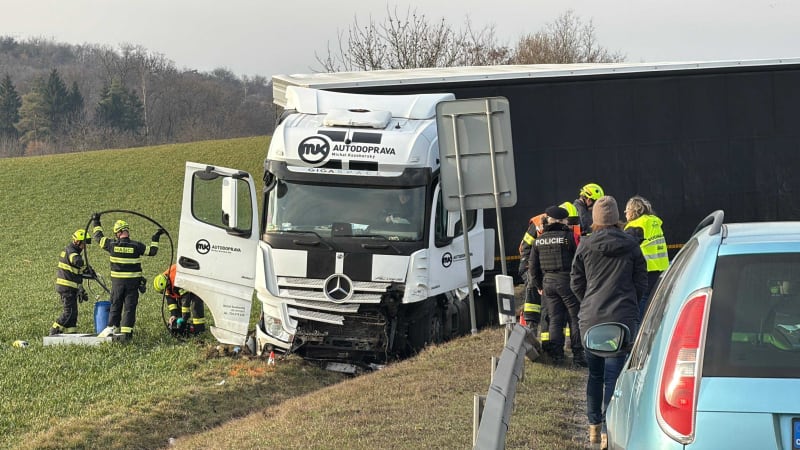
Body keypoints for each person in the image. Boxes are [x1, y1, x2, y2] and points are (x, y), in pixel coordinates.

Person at [570, 195, 647, 448]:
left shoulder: (585, 246)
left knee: (594, 375)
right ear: (617, 218)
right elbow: (640, 283)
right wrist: (629, 306)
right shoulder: (632, 245)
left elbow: (576, 283)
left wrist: (588, 303)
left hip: (590, 319)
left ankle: (593, 428)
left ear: (595, 221)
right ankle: (609, 431)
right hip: (622, 320)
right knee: (614, 376)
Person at [93, 216, 164, 341]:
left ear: (118, 232)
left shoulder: (112, 244)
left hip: (117, 284)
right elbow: (153, 251)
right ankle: (127, 335)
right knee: (129, 308)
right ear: (126, 231)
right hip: (132, 284)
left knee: (115, 306)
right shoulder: (136, 246)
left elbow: (98, 237)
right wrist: (156, 237)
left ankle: (112, 328)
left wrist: (96, 221)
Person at [530, 205, 584, 366]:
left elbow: (533, 267)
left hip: (548, 283)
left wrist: (539, 285)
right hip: (567, 281)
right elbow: (578, 260)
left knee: (555, 319)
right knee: (575, 318)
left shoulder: (539, 240)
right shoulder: (569, 237)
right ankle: (578, 355)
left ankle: (557, 356)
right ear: (562, 220)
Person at [623, 195, 669, 317]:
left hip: (645, 270)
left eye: (627, 210)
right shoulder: (654, 222)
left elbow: (624, 248)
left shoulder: (636, 226)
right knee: (655, 304)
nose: (625, 213)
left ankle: (639, 332)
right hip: (660, 269)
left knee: (641, 304)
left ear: (633, 211)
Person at [50, 229, 92, 335]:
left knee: (74, 313)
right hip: (66, 287)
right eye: (84, 244)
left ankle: (71, 333)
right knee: (69, 312)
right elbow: (77, 261)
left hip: (70, 287)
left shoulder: (71, 250)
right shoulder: (71, 251)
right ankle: (54, 330)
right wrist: (85, 267)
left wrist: (80, 288)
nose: (84, 247)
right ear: (77, 241)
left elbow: (76, 273)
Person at [153, 264, 206, 335]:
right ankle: (181, 326)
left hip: (195, 283)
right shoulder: (165, 280)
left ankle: (199, 329)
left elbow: (185, 299)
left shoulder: (176, 281)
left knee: (195, 305)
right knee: (179, 305)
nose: (164, 293)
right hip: (183, 285)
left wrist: (184, 317)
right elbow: (170, 300)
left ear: (167, 285)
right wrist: (173, 315)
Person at [518, 211, 547, 333]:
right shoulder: (537, 224)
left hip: (541, 266)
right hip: (529, 265)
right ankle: (530, 328)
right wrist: (529, 265)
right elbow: (525, 246)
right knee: (532, 293)